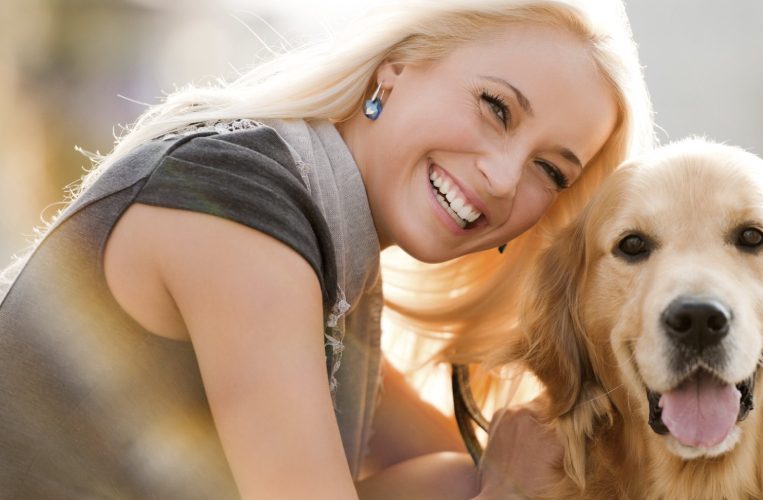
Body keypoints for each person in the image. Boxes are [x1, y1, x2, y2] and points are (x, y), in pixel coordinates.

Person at [0, 0, 654, 498]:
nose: (506, 177)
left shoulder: (334, 246)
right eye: (497, 108)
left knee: (452, 482)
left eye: (552, 171)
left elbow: (454, 459)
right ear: (397, 68)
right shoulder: (241, 212)